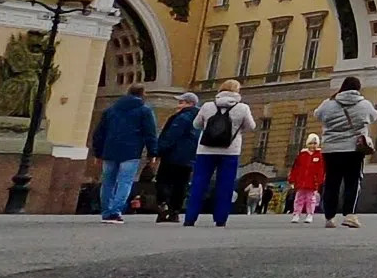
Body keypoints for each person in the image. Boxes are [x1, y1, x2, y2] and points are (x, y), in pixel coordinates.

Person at [185, 79, 257, 228]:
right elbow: (251, 126)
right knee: (225, 185)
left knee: (199, 183)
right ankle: (220, 218)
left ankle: (190, 217)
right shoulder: (242, 108)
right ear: (237, 91)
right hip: (230, 151)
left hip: (205, 150)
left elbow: (196, 124)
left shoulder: (207, 106)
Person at [317, 76, 377, 229]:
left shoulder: (329, 104)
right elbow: (374, 116)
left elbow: (317, 115)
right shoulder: (364, 104)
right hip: (354, 149)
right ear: (358, 88)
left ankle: (329, 217)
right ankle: (349, 215)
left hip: (331, 149)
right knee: (352, 182)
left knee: (332, 182)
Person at [91, 83, 157, 224]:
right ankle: (115, 212)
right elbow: (150, 134)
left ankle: (106, 212)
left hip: (109, 150)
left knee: (108, 182)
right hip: (131, 152)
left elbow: (99, 133)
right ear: (143, 94)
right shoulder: (144, 111)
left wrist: (97, 152)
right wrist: (152, 153)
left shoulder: (111, 110)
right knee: (124, 182)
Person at [154, 92, 201, 222]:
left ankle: (164, 206)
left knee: (163, 181)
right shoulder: (200, 118)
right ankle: (175, 212)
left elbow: (171, 136)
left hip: (173, 156)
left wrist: (158, 151)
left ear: (190, 104)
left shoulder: (182, 118)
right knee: (181, 185)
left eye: (181, 102)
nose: (178, 105)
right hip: (190, 158)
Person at [289, 134, 325, 223]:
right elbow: (295, 168)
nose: (313, 145)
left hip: (313, 182)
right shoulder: (302, 155)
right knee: (298, 199)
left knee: (311, 199)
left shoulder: (320, 155)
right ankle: (296, 214)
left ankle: (309, 214)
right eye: (311, 143)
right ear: (307, 144)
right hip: (301, 181)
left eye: (315, 143)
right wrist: (292, 179)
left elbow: (321, 169)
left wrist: (320, 180)